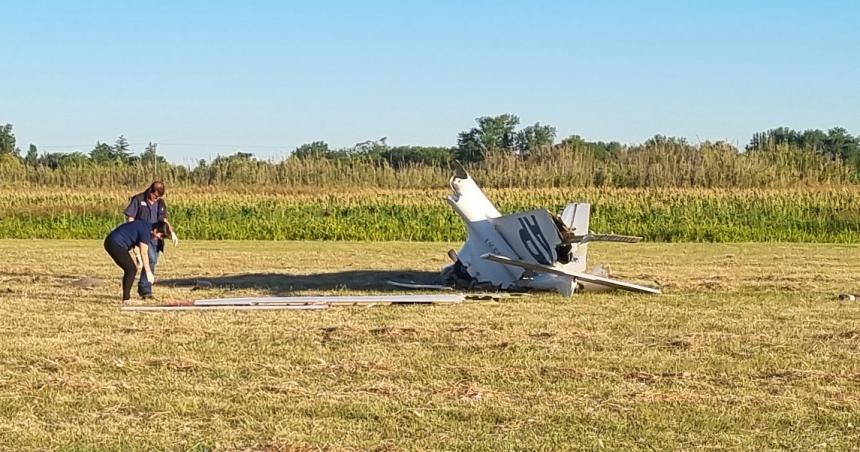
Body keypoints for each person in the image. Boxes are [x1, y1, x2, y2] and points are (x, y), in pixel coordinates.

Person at [123, 181, 179, 299]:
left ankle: (145, 289)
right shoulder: (138, 199)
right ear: (151, 191)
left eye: (158, 197)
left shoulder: (160, 202)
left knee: (152, 261)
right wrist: (131, 234)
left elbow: (163, 219)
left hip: (156, 238)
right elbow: (131, 217)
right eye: (155, 196)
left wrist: (171, 232)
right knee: (151, 259)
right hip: (142, 236)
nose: (156, 199)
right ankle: (145, 288)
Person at [104, 220, 171, 302]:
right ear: (156, 230)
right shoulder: (146, 231)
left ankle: (126, 297)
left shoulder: (146, 226)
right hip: (114, 243)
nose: (160, 238)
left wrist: (137, 257)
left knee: (130, 269)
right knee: (131, 270)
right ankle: (126, 298)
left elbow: (134, 240)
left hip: (114, 242)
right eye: (161, 236)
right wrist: (148, 272)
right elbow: (144, 252)